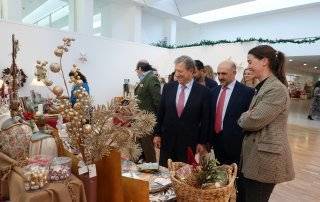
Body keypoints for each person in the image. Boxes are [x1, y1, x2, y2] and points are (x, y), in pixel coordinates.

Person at [238, 45, 294, 202]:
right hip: (255, 157)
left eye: (250, 62)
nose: (248, 66)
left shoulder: (276, 89)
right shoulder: (263, 86)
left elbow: (251, 121)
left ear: (264, 61)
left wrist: (244, 116)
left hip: (265, 161)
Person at [153, 55, 210, 167]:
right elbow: (161, 112)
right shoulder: (168, 88)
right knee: (165, 172)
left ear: (191, 71)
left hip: (189, 143)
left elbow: (205, 119)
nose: (177, 74)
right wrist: (157, 134)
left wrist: (202, 142)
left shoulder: (203, 92)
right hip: (167, 141)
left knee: (185, 175)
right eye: (176, 71)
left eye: (180, 71)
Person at [209, 60, 254, 167]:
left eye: (224, 73)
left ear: (234, 73)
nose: (220, 77)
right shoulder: (213, 91)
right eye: (218, 73)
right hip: (216, 141)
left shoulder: (247, 92)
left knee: (234, 176)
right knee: (219, 173)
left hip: (236, 144)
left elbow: (250, 118)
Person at [134, 60, 161, 162]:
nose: (137, 73)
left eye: (137, 70)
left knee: (148, 147)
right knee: (141, 146)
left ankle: (152, 169)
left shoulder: (152, 78)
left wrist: (158, 121)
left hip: (147, 120)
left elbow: (157, 101)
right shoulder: (145, 79)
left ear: (140, 69)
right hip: (140, 119)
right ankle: (143, 167)